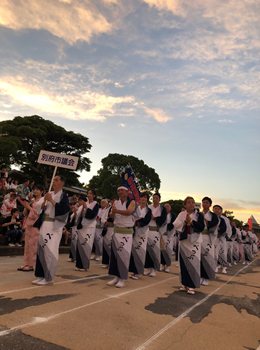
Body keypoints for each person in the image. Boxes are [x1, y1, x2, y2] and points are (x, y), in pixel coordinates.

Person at [32, 175, 70, 285]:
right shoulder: (50, 194)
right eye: (53, 180)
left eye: (56, 180)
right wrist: (45, 201)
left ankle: (49, 277)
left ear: (62, 183)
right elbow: (39, 207)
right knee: (41, 249)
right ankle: (40, 275)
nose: (54, 182)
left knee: (50, 250)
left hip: (54, 225)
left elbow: (64, 210)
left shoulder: (63, 196)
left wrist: (51, 200)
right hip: (45, 223)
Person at [173, 196, 205, 295]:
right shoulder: (181, 214)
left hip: (194, 241)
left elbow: (201, 227)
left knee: (194, 263)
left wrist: (191, 221)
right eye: (189, 202)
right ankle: (184, 283)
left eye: (193, 202)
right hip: (184, 240)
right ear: (185, 204)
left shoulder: (199, 215)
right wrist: (184, 222)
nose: (191, 204)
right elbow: (175, 224)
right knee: (183, 263)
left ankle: (192, 285)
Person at [107, 186, 136, 288]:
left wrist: (116, 211)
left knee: (124, 255)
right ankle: (116, 277)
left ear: (127, 192)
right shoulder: (116, 202)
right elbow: (111, 215)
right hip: (116, 231)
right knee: (115, 256)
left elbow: (129, 212)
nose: (120, 192)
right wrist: (112, 213)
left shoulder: (131, 202)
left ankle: (122, 278)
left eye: (122, 190)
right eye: (118, 190)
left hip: (126, 232)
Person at [18, 185, 44, 271]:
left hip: (35, 225)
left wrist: (28, 207)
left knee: (33, 245)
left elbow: (38, 213)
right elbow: (25, 213)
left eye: (37, 189)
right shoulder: (32, 201)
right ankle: (25, 263)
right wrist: (26, 206)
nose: (35, 191)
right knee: (27, 245)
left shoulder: (42, 201)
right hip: (29, 224)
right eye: (34, 189)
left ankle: (31, 265)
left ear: (41, 192)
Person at [129, 192, 151, 280]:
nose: (143, 199)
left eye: (145, 198)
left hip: (143, 232)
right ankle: (134, 270)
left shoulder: (148, 210)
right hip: (135, 230)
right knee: (133, 251)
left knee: (140, 251)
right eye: (142, 197)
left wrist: (139, 219)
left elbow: (147, 220)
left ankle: (138, 272)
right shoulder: (136, 208)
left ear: (147, 199)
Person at [75, 189, 99, 271]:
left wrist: (86, 208)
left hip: (90, 227)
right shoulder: (84, 204)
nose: (89, 195)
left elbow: (92, 215)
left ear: (94, 195)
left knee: (86, 245)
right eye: (88, 193)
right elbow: (79, 215)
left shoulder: (95, 204)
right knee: (80, 244)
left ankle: (84, 265)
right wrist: (82, 209)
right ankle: (79, 264)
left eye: (91, 193)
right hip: (82, 226)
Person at [144, 193, 167, 277]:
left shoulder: (162, 209)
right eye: (154, 198)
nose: (155, 199)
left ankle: (154, 269)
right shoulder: (149, 207)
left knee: (155, 250)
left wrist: (155, 218)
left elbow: (164, 219)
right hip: (148, 230)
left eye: (156, 198)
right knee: (147, 250)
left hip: (156, 231)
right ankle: (149, 268)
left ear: (159, 199)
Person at [200, 197, 219, 286]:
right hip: (199, 237)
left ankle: (206, 277)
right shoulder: (198, 214)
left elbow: (213, 225)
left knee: (207, 258)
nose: (205, 204)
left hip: (208, 237)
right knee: (199, 258)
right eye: (203, 202)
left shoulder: (213, 215)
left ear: (210, 205)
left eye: (207, 202)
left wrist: (205, 219)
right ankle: (200, 276)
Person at [101, 196, 117, 268]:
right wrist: (106, 222)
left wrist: (112, 223)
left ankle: (112, 262)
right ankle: (106, 262)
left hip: (114, 229)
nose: (113, 202)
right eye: (112, 200)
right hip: (107, 229)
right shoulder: (108, 209)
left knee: (113, 246)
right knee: (106, 245)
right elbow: (102, 218)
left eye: (115, 200)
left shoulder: (119, 209)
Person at [160, 203, 176, 273]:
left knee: (169, 250)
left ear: (170, 208)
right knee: (162, 250)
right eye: (165, 207)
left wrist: (166, 226)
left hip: (169, 235)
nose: (166, 208)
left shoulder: (173, 216)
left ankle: (167, 266)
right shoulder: (161, 214)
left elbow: (173, 224)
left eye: (167, 207)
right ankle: (163, 265)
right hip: (162, 235)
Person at [212, 205, 227, 273]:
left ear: (220, 211)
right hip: (208, 238)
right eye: (215, 208)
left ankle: (220, 266)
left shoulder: (222, 220)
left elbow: (225, 228)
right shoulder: (209, 217)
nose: (217, 210)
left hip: (218, 238)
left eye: (218, 209)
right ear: (213, 210)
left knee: (217, 254)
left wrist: (219, 228)